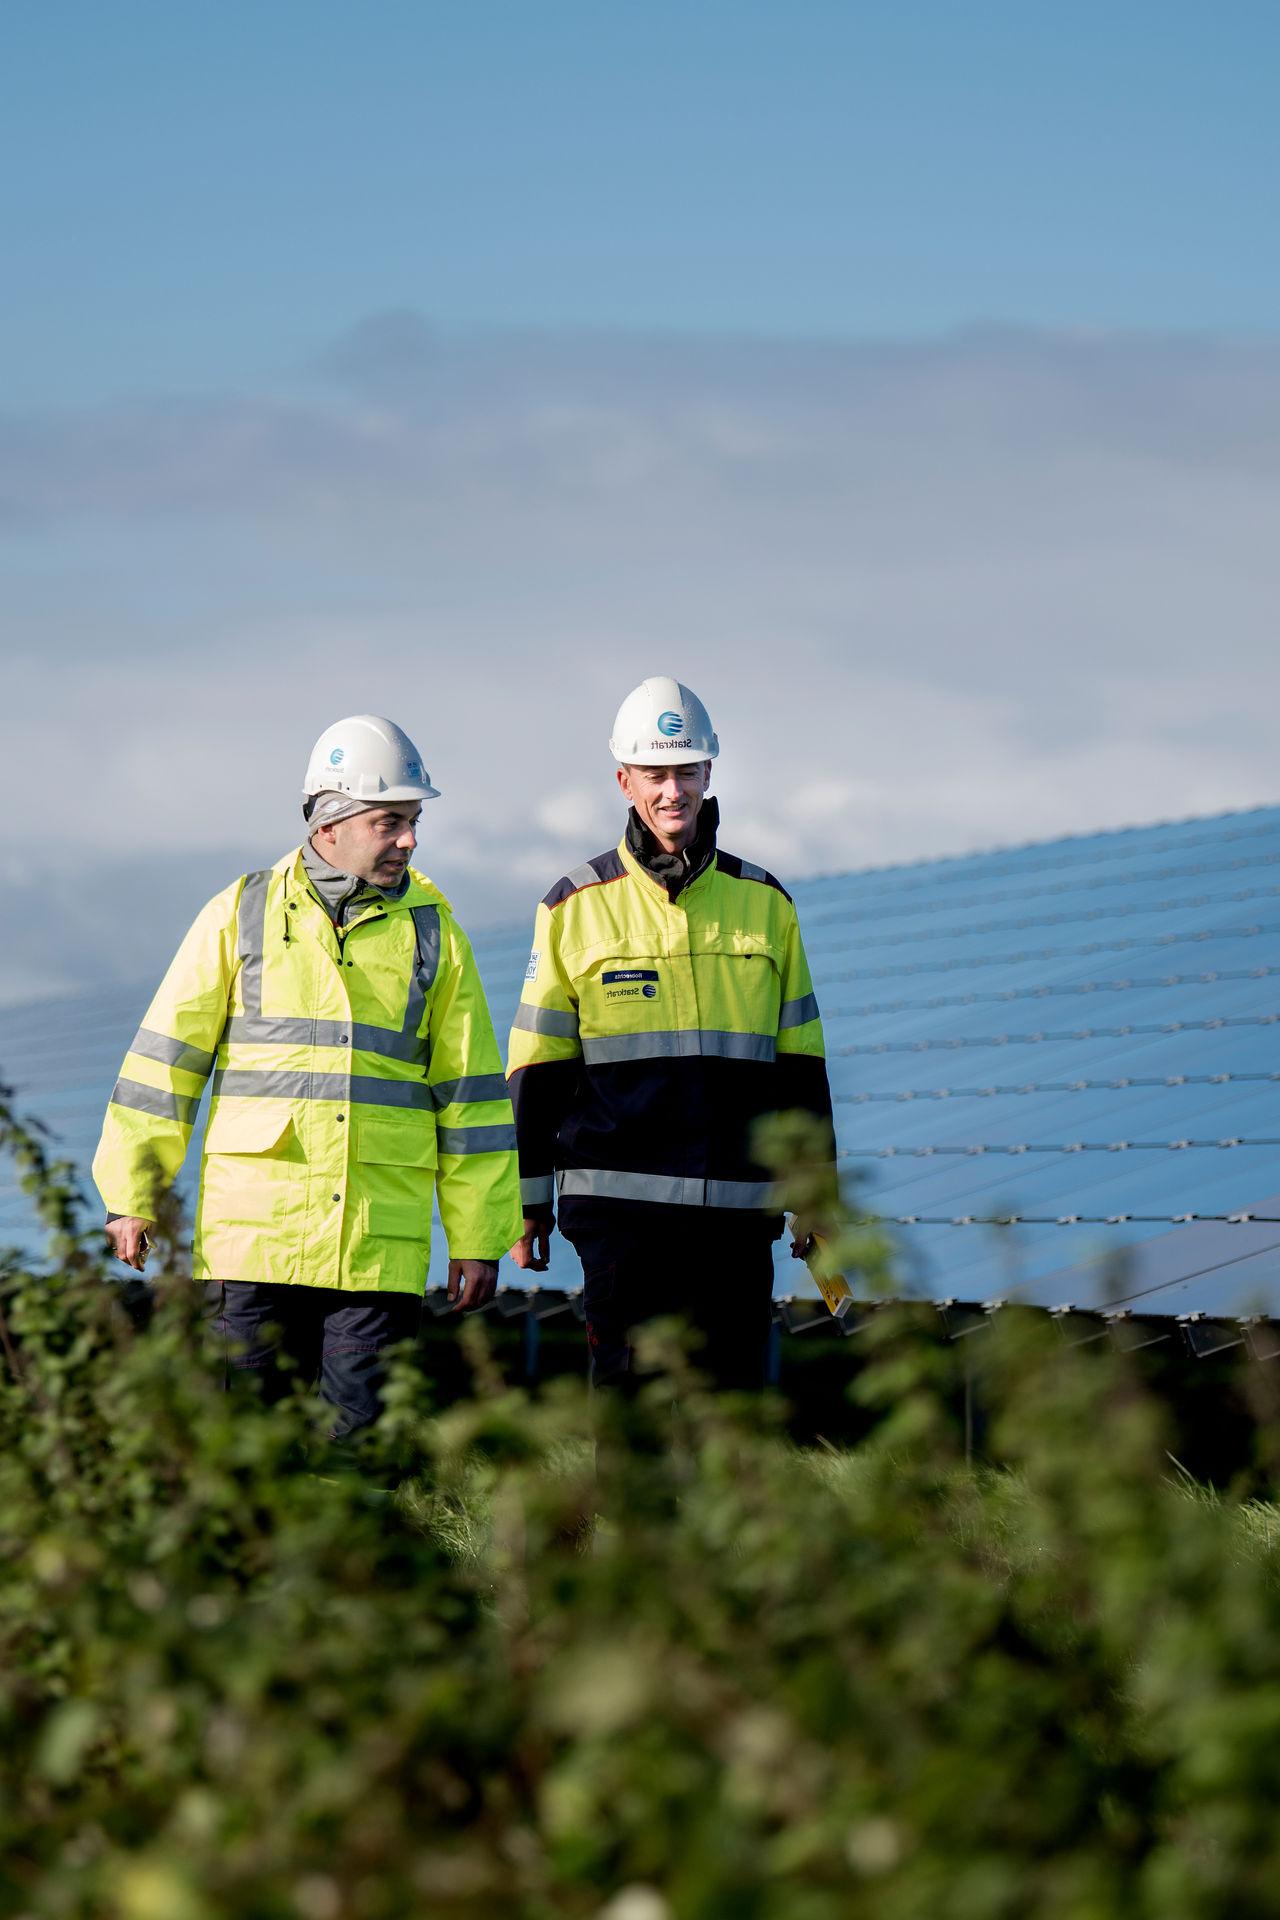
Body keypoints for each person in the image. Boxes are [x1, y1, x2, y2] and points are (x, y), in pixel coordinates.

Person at [93, 713, 522, 1440]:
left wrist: (478, 1235)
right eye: (391, 821)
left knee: (362, 1460)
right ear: (332, 821)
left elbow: (471, 1096)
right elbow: (165, 1063)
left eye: (413, 821)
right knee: (246, 1458)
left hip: (374, 1248)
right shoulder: (241, 912)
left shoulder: (434, 933)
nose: (410, 840)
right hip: (254, 1240)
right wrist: (133, 1195)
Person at [507, 676, 834, 1390]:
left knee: (731, 1413)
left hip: (738, 1218)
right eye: (654, 774)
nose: (671, 791)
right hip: (620, 1221)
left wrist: (818, 1193)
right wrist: (526, 1203)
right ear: (624, 781)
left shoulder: (767, 904)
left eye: (685, 772)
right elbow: (538, 1068)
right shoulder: (572, 907)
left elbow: (801, 1066)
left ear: (709, 773)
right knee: (632, 1411)